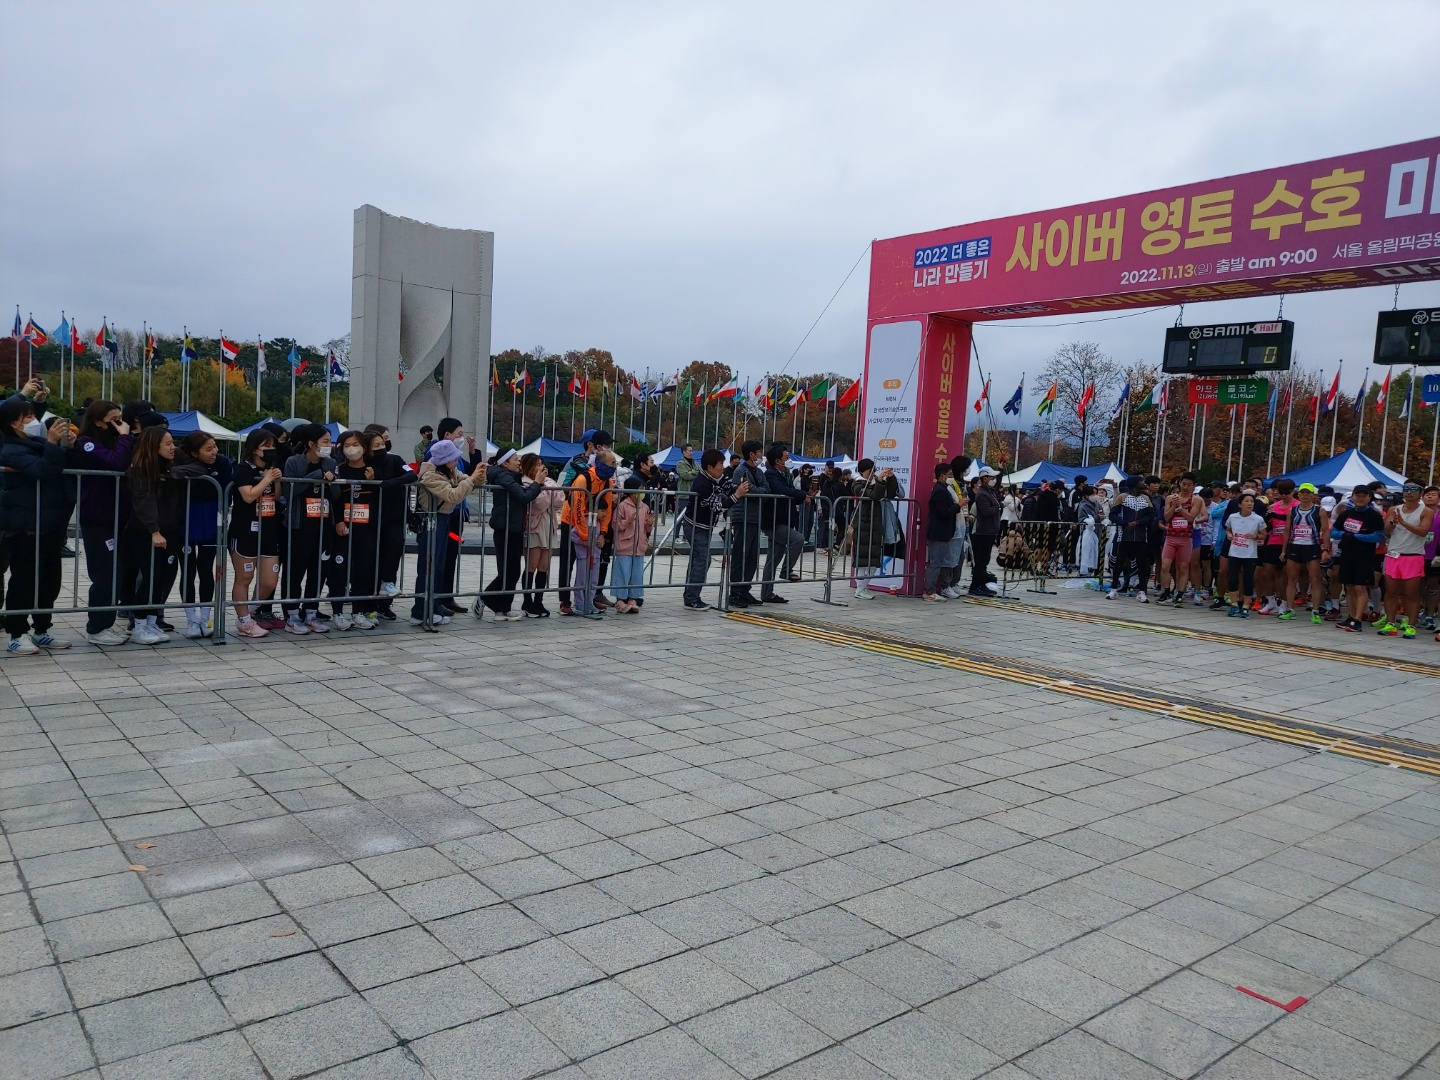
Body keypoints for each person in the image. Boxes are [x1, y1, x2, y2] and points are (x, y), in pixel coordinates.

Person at [0, 399, 76, 654]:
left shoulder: (38, 444)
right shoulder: (11, 450)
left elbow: (60, 466)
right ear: (14, 423)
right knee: (24, 581)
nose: (34, 421)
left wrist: (66, 445)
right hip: (25, 526)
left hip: (49, 525)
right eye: (28, 417)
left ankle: (42, 630)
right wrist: (53, 444)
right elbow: (44, 471)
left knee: (49, 582)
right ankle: (16, 633)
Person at [70, 400, 134, 646]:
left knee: (116, 574)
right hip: (97, 517)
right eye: (113, 420)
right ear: (98, 421)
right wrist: (125, 437)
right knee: (105, 574)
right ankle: (96, 627)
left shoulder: (114, 441)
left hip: (117, 517)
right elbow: (116, 462)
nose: (119, 425)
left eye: (121, 420)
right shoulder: (87, 442)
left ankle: (106, 623)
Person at [411, 439, 486, 626]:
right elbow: (453, 495)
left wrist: (479, 475)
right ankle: (420, 611)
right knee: (428, 568)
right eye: (453, 458)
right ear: (444, 460)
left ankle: (434, 607)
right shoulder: (429, 475)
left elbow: (469, 482)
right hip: (431, 521)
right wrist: (471, 478)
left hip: (443, 519)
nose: (456, 461)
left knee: (438, 568)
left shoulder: (450, 471)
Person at [122, 427, 183, 645]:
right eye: (167, 443)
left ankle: (151, 621)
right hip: (145, 532)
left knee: (162, 578)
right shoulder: (140, 469)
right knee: (150, 577)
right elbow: (143, 501)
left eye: (172, 442)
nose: (173, 447)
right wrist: (154, 531)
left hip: (169, 530)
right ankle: (138, 625)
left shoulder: (168, 467)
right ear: (153, 445)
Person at [171, 432, 231, 638]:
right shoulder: (181, 462)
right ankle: (191, 620)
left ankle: (206, 618)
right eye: (208, 449)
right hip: (186, 524)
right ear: (194, 453)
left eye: (215, 446)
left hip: (212, 524)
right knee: (187, 571)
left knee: (206, 570)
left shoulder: (223, 463)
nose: (214, 452)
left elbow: (228, 492)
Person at [280, 423, 337, 634]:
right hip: (299, 525)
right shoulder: (294, 462)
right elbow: (289, 490)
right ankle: (292, 615)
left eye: (330, 441)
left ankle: (311, 612)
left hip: (324, 525)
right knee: (295, 572)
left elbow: (336, 495)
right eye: (325, 441)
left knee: (318, 571)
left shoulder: (331, 462)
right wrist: (316, 476)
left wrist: (332, 481)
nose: (329, 445)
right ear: (312, 444)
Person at [479, 448, 548, 620]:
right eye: (515, 459)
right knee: (507, 572)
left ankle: (503, 608)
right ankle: (487, 598)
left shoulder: (510, 475)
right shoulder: (503, 476)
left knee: (513, 572)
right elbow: (523, 496)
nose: (519, 462)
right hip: (505, 528)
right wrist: (537, 483)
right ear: (505, 463)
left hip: (514, 528)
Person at [228, 429, 284, 638]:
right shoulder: (243, 469)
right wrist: (267, 478)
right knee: (245, 577)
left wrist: (276, 479)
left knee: (269, 580)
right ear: (254, 448)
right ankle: (244, 621)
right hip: (245, 530)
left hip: (268, 529)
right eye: (265, 446)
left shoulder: (271, 469)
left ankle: (249, 612)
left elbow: (276, 497)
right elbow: (249, 496)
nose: (270, 450)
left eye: (273, 446)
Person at [361, 425, 417, 621]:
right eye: (376, 445)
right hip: (372, 519)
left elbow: (411, 475)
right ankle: (368, 606)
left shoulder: (395, 459)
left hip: (395, 516)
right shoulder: (365, 464)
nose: (381, 448)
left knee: (393, 553)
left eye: (382, 444)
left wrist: (387, 483)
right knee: (370, 562)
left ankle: (385, 604)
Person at [557, 429, 613, 616]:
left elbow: (608, 509)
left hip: (593, 521)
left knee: (592, 564)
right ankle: (566, 600)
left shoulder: (608, 481)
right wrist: (584, 534)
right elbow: (577, 508)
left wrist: (602, 533)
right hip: (572, 520)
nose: (615, 467)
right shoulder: (582, 474)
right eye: (612, 463)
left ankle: (589, 599)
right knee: (569, 561)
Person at [327, 430, 378, 631]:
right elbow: (335, 499)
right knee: (339, 571)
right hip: (343, 529)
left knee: (362, 570)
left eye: (355, 445)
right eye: (347, 445)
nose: (351, 449)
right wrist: (339, 521)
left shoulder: (372, 470)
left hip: (366, 529)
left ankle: (358, 612)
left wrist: (373, 482)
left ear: (364, 447)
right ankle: (337, 613)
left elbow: (381, 499)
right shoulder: (338, 470)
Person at [684, 449, 746, 610]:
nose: (722, 467)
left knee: (698, 560)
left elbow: (730, 487)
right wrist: (737, 495)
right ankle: (692, 599)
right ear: (710, 467)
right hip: (695, 525)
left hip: (705, 526)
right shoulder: (701, 483)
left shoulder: (718, 477)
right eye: (720, 464)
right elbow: (718, 507)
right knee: (703, 560)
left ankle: (690, 596)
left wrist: (741, 488)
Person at [1377, 481, 1434, 639]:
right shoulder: (1394, 509)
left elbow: (1423, 531)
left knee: (1411, 593)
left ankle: (1411, 625)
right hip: (1394, 554)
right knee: (1391, 592)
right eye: (1406, 489)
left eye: (1413, 489)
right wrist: (1393, 523)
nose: (1409, 492)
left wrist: (1404, 523)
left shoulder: (1426, 511)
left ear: (1420, 493)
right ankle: (1390, 623)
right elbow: (1387, 531)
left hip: (1413, 555)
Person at [1330, 485, 1385, 634]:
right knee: (1348, 586)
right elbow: (1334, 532)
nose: (1360, 498)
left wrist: (1357, 536)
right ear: (1353, 497)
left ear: (1369, 498)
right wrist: (1344, 535)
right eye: (1357, 495)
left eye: (1363, 496)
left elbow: (1379, 536)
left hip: (1364, 556)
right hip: (1347, 554)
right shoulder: (1346, 513)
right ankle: (1351, 616)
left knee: (1360, 587)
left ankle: (1359, 619)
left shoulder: (1374, 516)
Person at [760, 444, 808, 604]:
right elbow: (781, 490)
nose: (788, 459)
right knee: (798, 539)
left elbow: (789, 495)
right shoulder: (771, 474)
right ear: (777, 461)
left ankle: (767, 593)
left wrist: (802, 497)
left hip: (783, 520)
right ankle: (786, 571)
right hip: (774, 521)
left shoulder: (784, 474)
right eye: (786, 457)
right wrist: (802, 494)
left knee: (773, 559)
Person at [850, 459, 903, 600]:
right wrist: (879, 480)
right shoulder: (857, 484)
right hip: (864, 525)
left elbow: (890, 494)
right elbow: (874, 495)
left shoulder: (875, 482)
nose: (873, 473)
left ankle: (863, 587)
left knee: (873, 558)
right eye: (870, 471)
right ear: (862, 472)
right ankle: (860, 588)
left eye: (874, 470)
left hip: (876, 525)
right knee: (864, 558)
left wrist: (891, 478)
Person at [1279, 482, 1329, 625]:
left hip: (1312, 546)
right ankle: (1290, 609)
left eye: (1308, 493)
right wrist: (1283, 550)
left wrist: (1326, 549)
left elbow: (1326, 530)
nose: (1305, 495)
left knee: (1315, 579)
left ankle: (1315, 610)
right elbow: (1287, 531)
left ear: (1313, 495)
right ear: (1298, 494)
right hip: (1295, 546)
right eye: (1302, 493)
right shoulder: (1292, 510)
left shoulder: (1319, 510)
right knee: (1291, 579)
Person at [521, 453, 563, 617]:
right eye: (537, 464)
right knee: (531, 565)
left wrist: (545, 489)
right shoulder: (525, 482)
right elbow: (538, 504)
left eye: (541, 464)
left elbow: (560, 499)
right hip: (534, 527)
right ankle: (527, 601)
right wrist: (545, 490)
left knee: (544, 566)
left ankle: (539, 601)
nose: (541, 467)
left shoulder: (548, 481)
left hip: (549, 525)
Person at [727, 441, 767, 608]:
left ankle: (745, 589)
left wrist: (759, 490)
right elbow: (747, 489)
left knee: (752, 557)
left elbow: (766, 488)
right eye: (759, 452)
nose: (761, 455)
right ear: (752, 454)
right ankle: (735, 592)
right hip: (743, 516)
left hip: (755, 517)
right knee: (740, 555)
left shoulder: (758, 471)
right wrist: (759, 491)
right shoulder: (740, 471)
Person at [611, 474, 655, 613]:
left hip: (639, 546)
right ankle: (620, 599)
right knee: (623, 573)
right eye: (639, 489)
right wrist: (627, 521)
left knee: (636, 574)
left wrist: (649, 524)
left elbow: (646, 529)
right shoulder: (622, 506)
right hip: (625, 545)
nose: (642, 492)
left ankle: (632, 598)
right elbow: (616, 526)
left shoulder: (644, 507)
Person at [1159, 473, 1204, 607]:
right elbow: (1166, 517)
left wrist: (1180, 507)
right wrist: (1174, 506)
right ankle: (1166, 591)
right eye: (1183, 484)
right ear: (1179, 483)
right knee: (1165, 565)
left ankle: (1180, 594)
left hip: (1186, 538)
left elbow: (1190, 518)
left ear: (1193, 486)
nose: (1185, 487)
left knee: (1183, 567)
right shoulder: (1170, 498)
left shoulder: (1197, 500)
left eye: (1189, 485)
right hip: (1171, 537)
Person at [1108, 477, 1156, 602]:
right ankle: (1113, 589)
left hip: (1141, 537)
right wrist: (1124, 523)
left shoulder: (1146, 498)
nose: (1143, 483)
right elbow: (1112, 515)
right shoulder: (1122, 497)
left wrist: (1137, 522)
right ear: (1134, 484)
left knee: (1142, 564)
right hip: (1124, 536)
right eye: (1141, 481)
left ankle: (1142, 591)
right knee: (1119, 562)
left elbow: (1151, 516)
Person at [1223, 492, 1265, 617]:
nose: (1249, 504)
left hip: (1250, 554)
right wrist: (1229, 535)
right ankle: (1234, 604)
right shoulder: (1233, 517)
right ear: (1240, 504)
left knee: (1248, 580)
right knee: (1232, 579)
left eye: (1251, 501)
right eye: (1246, 501)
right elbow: (1228, 529)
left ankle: (1246, 606)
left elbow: (1264, 534)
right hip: (1234, 552)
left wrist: (1255, 536)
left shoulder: (1258, 519)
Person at [923, 462, 960, 602]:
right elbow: (943, 512)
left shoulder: (944, 489)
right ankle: (929, 591)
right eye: (949, 475)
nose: (951, 477)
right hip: (938, 532)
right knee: (935, 563)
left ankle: (932, 590)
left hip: (943, 532)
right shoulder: (939, 491)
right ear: (942, 476)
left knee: (938, 562)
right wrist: (958, 506)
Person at [969, 467, 1001, 595]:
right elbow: (986, 511)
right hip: (983, 532)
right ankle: (975, 586)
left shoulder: (989, 492)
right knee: (981, 561)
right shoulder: (982, 494)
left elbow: (997, 486)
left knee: (985, 560)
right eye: (991, 477)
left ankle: (981, 584)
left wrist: (1001, 469)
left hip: (990, 531)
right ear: (985, 479)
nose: (993, 480)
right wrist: (998, 507)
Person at [675, 444, 699, 540]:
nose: (691, 452)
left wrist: (691, 472)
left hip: (694, 493)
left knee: (691, 516)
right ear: (684, 452)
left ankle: (686, 536)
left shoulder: (695, 463)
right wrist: (694, 472)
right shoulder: (680, 463)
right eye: (689, 451)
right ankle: (676, 535)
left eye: (692, 450)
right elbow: (685, 475)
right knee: (680, 515)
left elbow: (699, 472)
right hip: (684, 494)